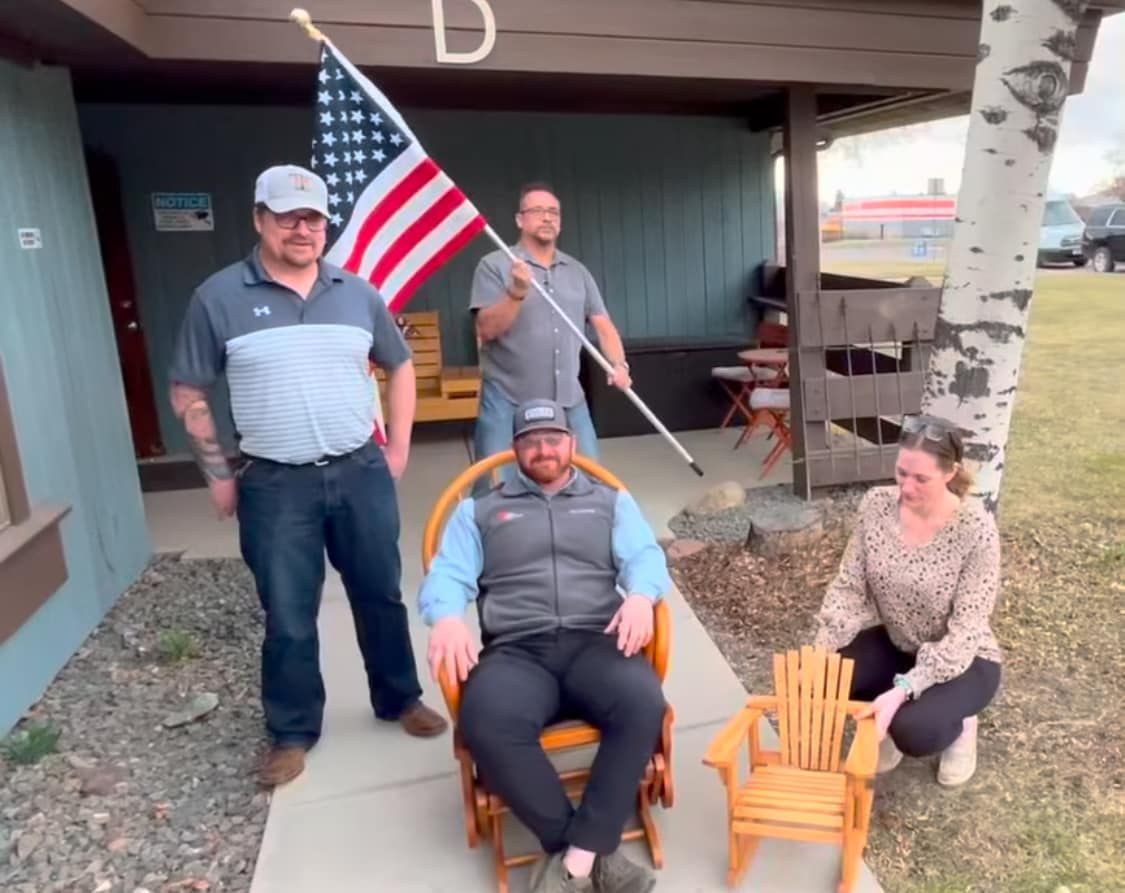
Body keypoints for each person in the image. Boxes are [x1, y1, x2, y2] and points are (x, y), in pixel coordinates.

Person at [168, 164, 446, 789]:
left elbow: (398, 366)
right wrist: (217, 473)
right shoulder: (219, 296)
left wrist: (396, 448)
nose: (303, 228)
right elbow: (188, 387)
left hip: (359, 472)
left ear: (326, 226)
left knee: (380, 594)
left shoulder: (356, 292)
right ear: (260, 220)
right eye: (288, 215)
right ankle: (292, 732)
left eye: (314, 217)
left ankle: (399, 697)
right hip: (274, 484)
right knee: (288, 613)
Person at [419, 398, 670, 893]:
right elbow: (447, 574)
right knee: (484, 718)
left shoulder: (608, 501)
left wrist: (641, 596)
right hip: (517, 650)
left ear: (572, 444)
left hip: (597, 641)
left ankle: (572, 864)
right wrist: (446, 615)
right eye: (531, 441)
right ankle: (594, 852)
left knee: (643, 702)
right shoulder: (480, 511)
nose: (543, 449)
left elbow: (645, 555)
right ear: (515, 450)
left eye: (553, 438)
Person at [813, 414, 1003, 786]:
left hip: (964, 658)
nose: (907, 487)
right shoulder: (876, 505)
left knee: (915, 730)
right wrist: (821, 648)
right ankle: (893, 706)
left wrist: (902, 691)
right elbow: (849, 585)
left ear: (950, 473)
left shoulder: (975, 530)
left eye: (921, 479)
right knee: (825, 677)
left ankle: (961, 724)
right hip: (899, 642)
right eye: (901, 473)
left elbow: (966, 631)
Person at [469, 182, 631, 487]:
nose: (547, 218)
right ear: (520, 219)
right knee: (493, 487)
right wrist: (516, 293)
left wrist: (619, 364)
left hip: (568, 399)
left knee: (592, 481)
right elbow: (486, 329)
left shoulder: (577, 271)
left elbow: (603, 326)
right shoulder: (495, 265)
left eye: (554, 212)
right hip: (508, 398)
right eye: (538, 211)